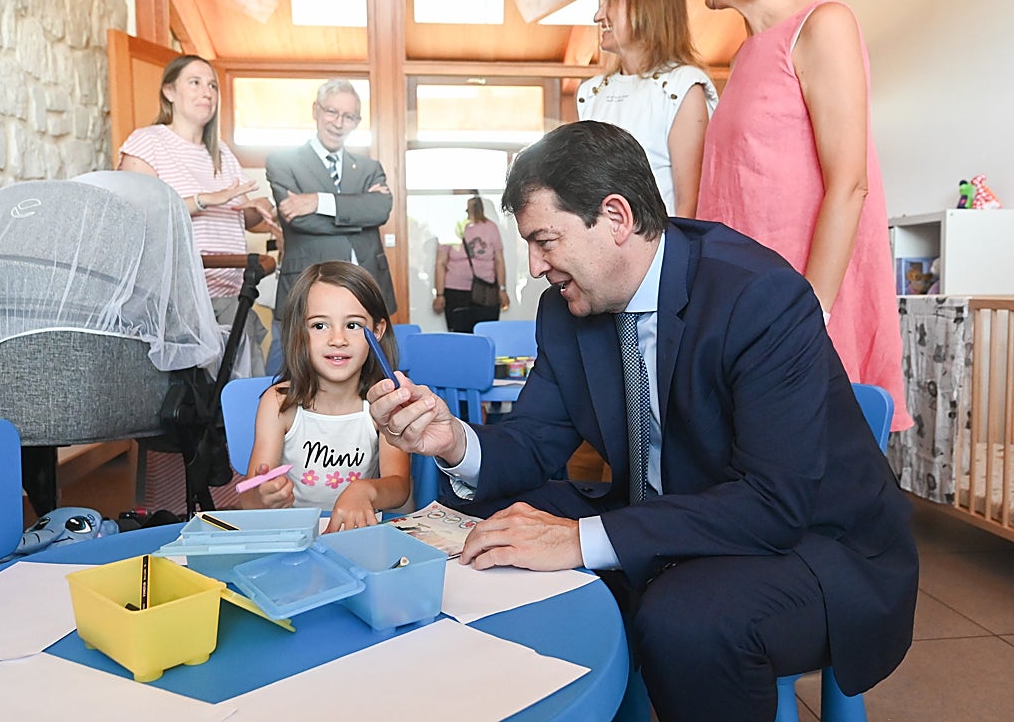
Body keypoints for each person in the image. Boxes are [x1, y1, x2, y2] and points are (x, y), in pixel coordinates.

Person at [369, 121, 917, 721]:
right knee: (490, 522)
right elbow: (534, 442)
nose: (532, 266)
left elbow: (773, 502)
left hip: (813, 542)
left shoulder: (758, 295)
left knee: (683, 618)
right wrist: (451, 441)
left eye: (545, 240)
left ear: (615, 217)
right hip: (675, 510)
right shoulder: (566, 310)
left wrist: (578, 540)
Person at [691, 0, 910, 428]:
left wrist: (809, 315)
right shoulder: (745, 54)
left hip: (799, 312)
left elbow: (850, 183)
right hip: (746, 308)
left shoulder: (823, 24)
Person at [118, 54, 278, 375]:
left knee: (243, 386)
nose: (207, 93)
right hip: (179, 296)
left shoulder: (219, 152)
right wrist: (207, 199)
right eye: (195, 82)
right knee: (196, 394)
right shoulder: (147, 141)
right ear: (169, 92)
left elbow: (245, 212)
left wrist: (261, 209)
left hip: (232, 291)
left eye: (213, 86)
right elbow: (140, 213)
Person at [239, 262, 411, 531]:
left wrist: (367, 490)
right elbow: (249, 498)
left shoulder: (385, 404)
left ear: (377, 331)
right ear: (300, 332)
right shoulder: (278, 403)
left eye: (353, 325)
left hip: (357, 538)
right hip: (292, 542)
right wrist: (262, 497)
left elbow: (399, 487)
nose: (338, 339)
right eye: (320, 326)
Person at [264, 79, 397, 374]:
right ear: (315, 110)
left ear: (357, 121)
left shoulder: (368, 168)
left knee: (373, 380)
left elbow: (380, 210)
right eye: (331, 112)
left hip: (366, 288)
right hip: (305, 287)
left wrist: (319, 201)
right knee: (289, 379)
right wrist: (358, 211)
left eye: (348, 116)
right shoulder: (283, 162)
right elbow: (296, 218)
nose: (339, 123)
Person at [577, 0, 717, 218]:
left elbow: (691, 205)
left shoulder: (681, 88)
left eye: (610, 2)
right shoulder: (591, 93)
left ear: (646, 7)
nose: (598, 16)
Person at [433, 195, 509, 333]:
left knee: (486, 335)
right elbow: (440, 263)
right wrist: (439, 295)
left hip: (486, 291)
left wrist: (502, 289)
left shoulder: (491, 227)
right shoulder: (451, 228)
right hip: (456, 293)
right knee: (460, 339)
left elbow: (499, 260)